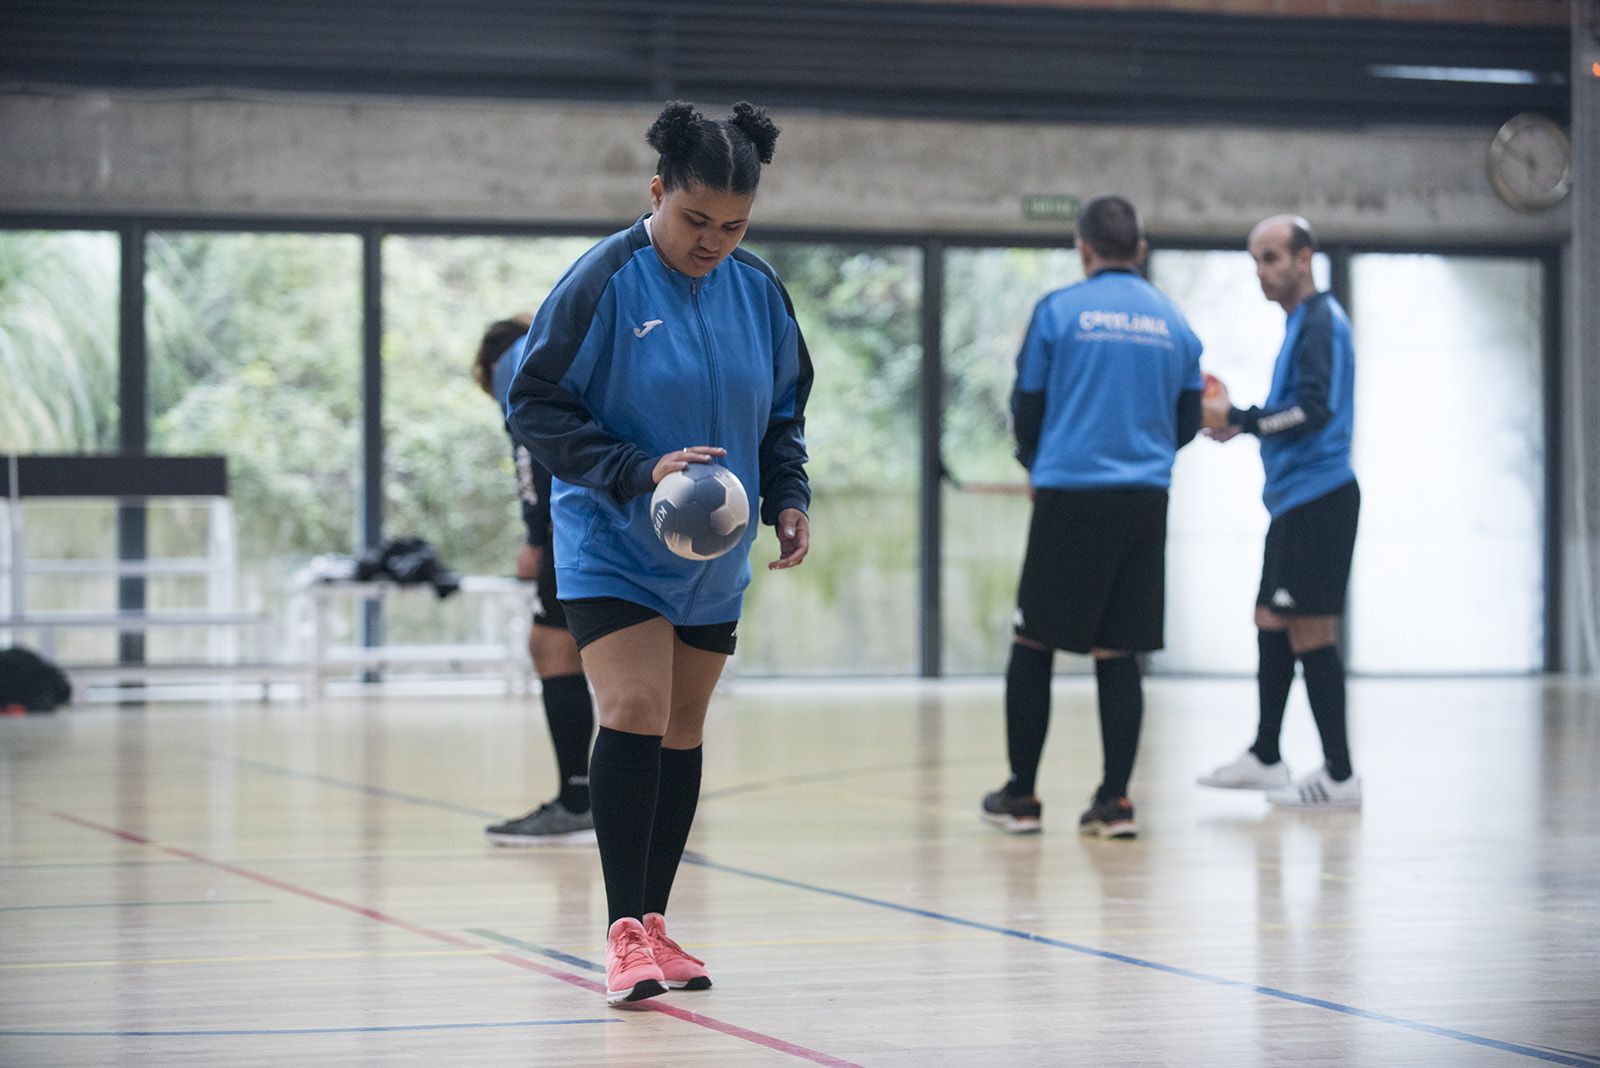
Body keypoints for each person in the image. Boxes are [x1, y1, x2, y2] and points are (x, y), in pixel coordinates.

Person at [505, 100, 811, 1006]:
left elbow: (784, 415)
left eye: (733, 225)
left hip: (713, 558)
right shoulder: (603, 279)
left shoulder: (758, 290)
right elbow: (536, 403)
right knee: (633, 708)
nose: (712, 241)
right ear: (657, 192)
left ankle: (659, 924)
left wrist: (789, 497)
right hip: (612, 540)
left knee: (682, 729)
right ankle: (622, 932)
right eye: (695, 220)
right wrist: (633, 470)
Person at [980, 194, 1204, 840]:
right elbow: (1188, 419)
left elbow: (1027, 407)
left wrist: (1037, 462)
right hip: (1144, 501)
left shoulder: (1058, 312)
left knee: (1034, 641)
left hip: (1071, 497)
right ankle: (1115, 802)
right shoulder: (1174, 322)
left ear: (1083, 249)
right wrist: (1145, 451)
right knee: (1119, 648)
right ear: (1139, 249)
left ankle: (1021, 797)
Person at [1196, 214, 1361, 808]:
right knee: (1270, 618)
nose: (1262, 272)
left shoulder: (1319, 322)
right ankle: (1266, 755)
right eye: (1255, 260)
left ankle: (1340, 775)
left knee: (1310, 629)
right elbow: (1290, 408)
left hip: (1320, 498)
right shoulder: (1300, 324)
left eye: (1271, 258)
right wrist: (1244, 419)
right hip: (1296, 499)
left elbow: (1311, 411)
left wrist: (1243, 420)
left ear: (1304, 258)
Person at [472, 315, 596, 844]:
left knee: (552, 647)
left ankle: (577, 799)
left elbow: (532, 453)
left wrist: (535, 538)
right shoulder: (571, 346)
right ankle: (650, 799)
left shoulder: (514, 366)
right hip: (650, 506)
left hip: (579, 522)